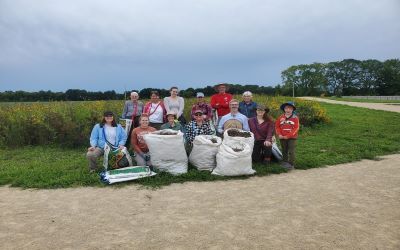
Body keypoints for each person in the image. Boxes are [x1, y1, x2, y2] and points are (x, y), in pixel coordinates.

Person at [275, 102, 299, 170]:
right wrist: (279, 134)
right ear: (284, 109)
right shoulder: (280, 117)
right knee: (284, 150)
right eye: (286, 108)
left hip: (292, 138)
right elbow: (277, 127)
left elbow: (296, 128)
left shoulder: (295, 118)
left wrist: (288, 136)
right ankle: (285, 161)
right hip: (282, 137)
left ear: (293, 110)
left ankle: (291, 163)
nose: (288, 110)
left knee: (291, 151)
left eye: (290, 108)